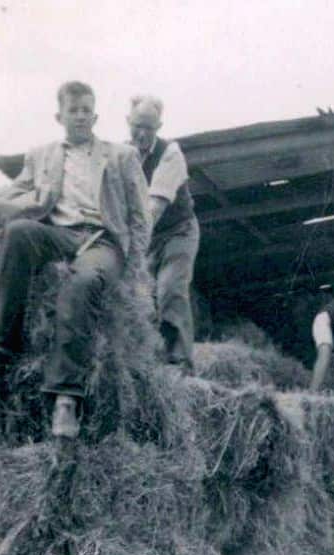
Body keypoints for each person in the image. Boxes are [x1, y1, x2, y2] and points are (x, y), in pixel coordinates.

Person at [0, 81, 149, 439]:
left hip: (102, 239)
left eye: (87, 110)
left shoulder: (121, 156)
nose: (81, 116)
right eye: (74, 110)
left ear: (96, 116)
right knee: (18, 232)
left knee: (81, 282)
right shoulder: (41, 155)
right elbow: (14, 192)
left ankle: (65, 397)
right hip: (59, 233)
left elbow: (140, 216)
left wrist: (134, 269)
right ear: (60, 116)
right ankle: (0, 351)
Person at [126, 95, 199, 373]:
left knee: (170, 289)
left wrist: (131, 249)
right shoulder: (121, 155)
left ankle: (180, 363)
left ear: (159, 127)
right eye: (137, 126)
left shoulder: (170, 154)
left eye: (149, 128)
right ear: (128, 122)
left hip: (177, 231)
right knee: (143, 299)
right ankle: (150, 362)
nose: (142, 134)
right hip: (147, 239)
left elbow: (154, 208)